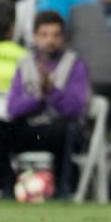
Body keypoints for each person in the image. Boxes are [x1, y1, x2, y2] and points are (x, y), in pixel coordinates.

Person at [0, 11, 89, 197]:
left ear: (63, 37)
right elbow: (12, 108)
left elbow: (75, 109)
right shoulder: (24, 63)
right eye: (44, 35)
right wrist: (37, 99)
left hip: (60, 130)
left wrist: (51, 91)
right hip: (31, 128)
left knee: (67, 128)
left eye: (56, 35)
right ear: (34, 36)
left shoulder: (74, 64)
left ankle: (63, 190)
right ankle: (7, 188)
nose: (50, 41)